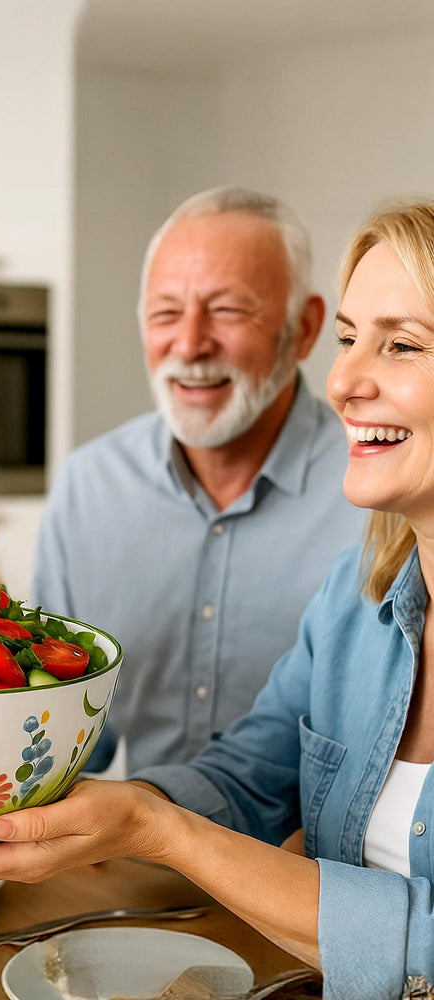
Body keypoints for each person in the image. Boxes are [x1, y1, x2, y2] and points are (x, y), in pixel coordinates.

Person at [0, 199, 434, 999]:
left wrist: (157, 828)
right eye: (351, 341)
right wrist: (119, 809)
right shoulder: (358, 598)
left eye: (403, 345)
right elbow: (251, 775)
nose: (345, 382)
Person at [33, 186, 366, 774]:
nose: (188, 344)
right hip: (130, 846)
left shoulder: (378, 493)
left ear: (306, 327)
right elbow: (65, 738)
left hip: (309, 861)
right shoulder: (90, 486)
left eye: (228, 310)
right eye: (165, 312)